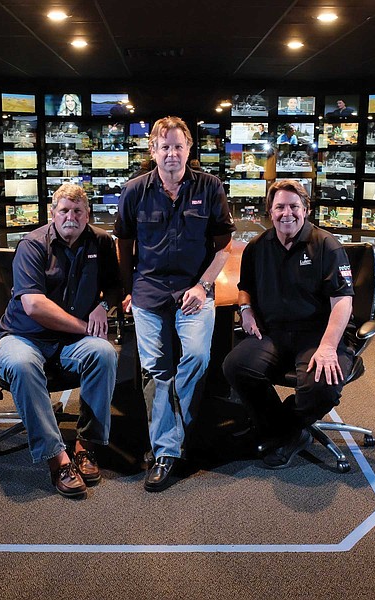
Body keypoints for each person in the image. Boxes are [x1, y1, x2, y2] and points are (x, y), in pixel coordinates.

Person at [114, 116, 235, 492]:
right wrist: (126, 290)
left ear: (188, 150)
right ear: (153, 151)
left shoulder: (210, 187)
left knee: (197, 357)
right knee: (156, 367)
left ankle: (169, 434)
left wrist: (203, 285)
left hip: (194, 291)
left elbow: (224, 246)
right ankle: (169, 450)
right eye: (164, 146)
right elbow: (123, 245)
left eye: (178, 146)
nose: (171, 153)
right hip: (149, 291)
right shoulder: (134, 190)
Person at [0, 183, 121, 498]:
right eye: (64, 210)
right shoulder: (32, 245)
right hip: (22, 335)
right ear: (53, 214)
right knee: (22, 365)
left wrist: (103, 307)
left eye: (78, 211)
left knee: (104, 353)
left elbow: (117, 288)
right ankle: (57, 459)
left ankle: (85, 446)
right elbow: (34, 305)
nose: (71, 217)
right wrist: (83, 325)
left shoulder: (102, 242)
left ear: (87, 214)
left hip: (70, 342)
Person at [222, 179, 355, 469]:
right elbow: (245, 286)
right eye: (280, 207)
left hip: (317, 337)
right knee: (235, 366)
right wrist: (245, 308)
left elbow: (343, 301)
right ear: (270, 212)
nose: (287, 213)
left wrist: (329, 347)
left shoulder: (326, 246)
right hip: (275, 334)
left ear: (306, 210)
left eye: (294, 206)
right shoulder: (257, 247)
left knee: (323, 385)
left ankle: (286, 430)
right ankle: (291, 429)